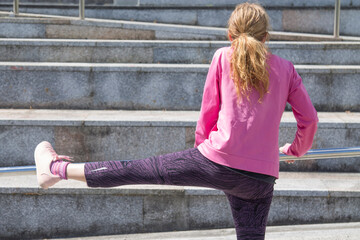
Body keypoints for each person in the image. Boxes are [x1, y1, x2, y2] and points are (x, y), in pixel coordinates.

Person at [34, 3, 318, 240]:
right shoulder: (286, 69)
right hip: (260, 178)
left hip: (215, 161)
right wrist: (294, 151)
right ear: (266, 37)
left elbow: (208, 112)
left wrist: (198, 161)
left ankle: (56, 169)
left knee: (135, 170)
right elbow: (310, 119)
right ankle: (55, 170)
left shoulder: (223, 56)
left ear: (230, 34)